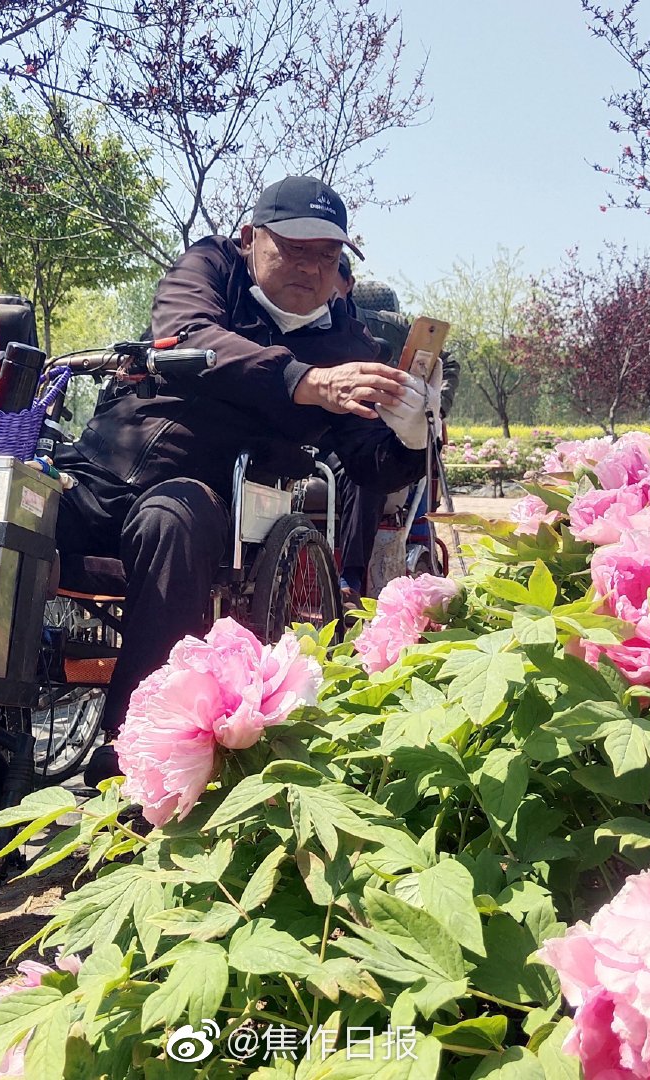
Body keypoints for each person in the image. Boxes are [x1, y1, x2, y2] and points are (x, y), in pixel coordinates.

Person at [55, 175, 435, 783]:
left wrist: (412, 431)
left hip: (209, 499)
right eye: (295, 248)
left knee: (171, 519)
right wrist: (305, 383)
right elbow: (190, 335)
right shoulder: (207, 267)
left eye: (328, 255)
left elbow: (368, 461)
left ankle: (134, 744)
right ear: (250, 239)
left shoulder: (349, 341)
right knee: (7, 507)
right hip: (106, 466)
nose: (312, 268)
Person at [333, 266, 460, 600]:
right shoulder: (296, 321)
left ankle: (350, 581)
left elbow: (447, 360)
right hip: (315, 435)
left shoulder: (387, 326)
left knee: (366, 471)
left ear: (347, 284)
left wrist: (434, 408)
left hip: (374, 435)